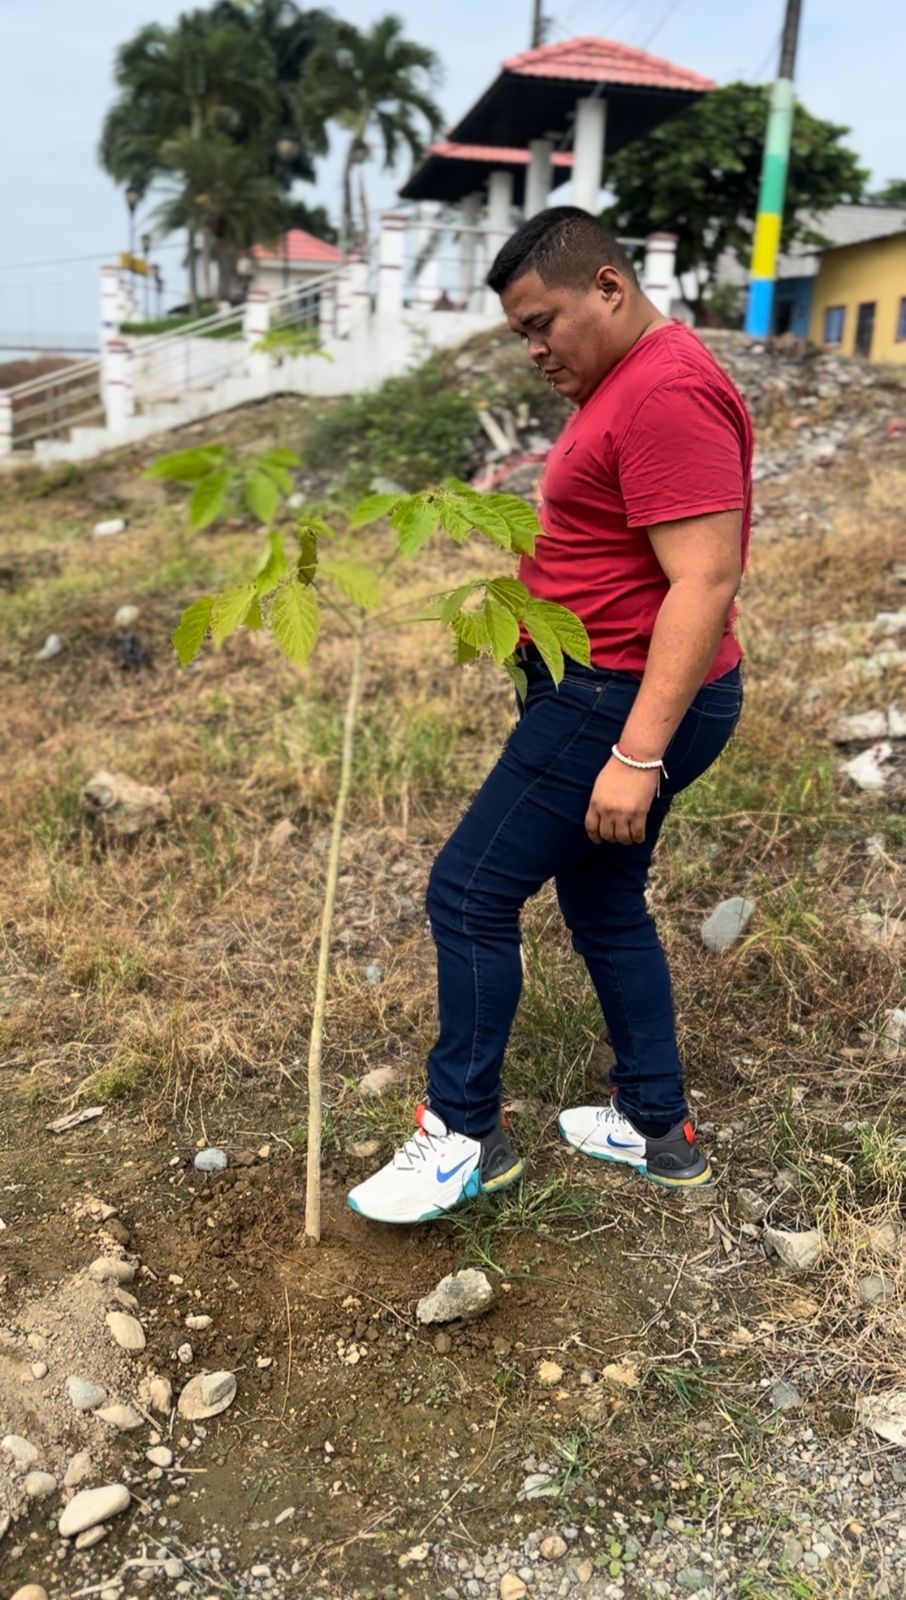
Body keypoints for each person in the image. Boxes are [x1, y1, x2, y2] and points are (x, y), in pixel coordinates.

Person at [349, 207, 752, 1225]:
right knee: (605, 901)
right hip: (603, 688)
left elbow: (704, 581)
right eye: (520, 333)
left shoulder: (666, 390)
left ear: (609, 287)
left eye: (542, 323)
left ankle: (463, 1137)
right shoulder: (626, 380)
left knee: (469, 892)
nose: (533, 349)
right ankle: (657, 1126)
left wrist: (636, 754)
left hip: (615, 697)